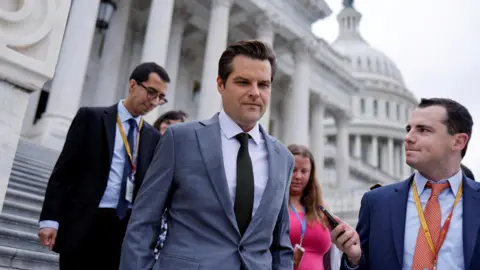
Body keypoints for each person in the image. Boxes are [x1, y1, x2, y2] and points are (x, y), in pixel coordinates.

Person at [120, 40, 294, 270]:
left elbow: (280, 244)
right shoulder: (179, 139)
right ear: (221, 84)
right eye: (243, 82)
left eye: (263, 85)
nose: (254, 93)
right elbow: (143, 223)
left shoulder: (283, 157)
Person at [38, 62, 170, 270]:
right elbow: (63, 172)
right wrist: (49, 219)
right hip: (85, 220)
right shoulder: (91, 118)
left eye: (161, 97)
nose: (154, 102)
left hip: (123, 228)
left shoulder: (153, 137)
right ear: (133, 85)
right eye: (151, 92)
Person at [331, 98, 480, 270]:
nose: (408, 138)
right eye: (408, 129)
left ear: (458, 141)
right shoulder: (377, 203)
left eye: (423, 130)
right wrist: (354, 260)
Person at [287, 144, 340, 270]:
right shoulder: (274, 206)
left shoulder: (321, 209)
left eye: (304, 171)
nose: (298, 176)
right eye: (293, 170)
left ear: (311, 175)